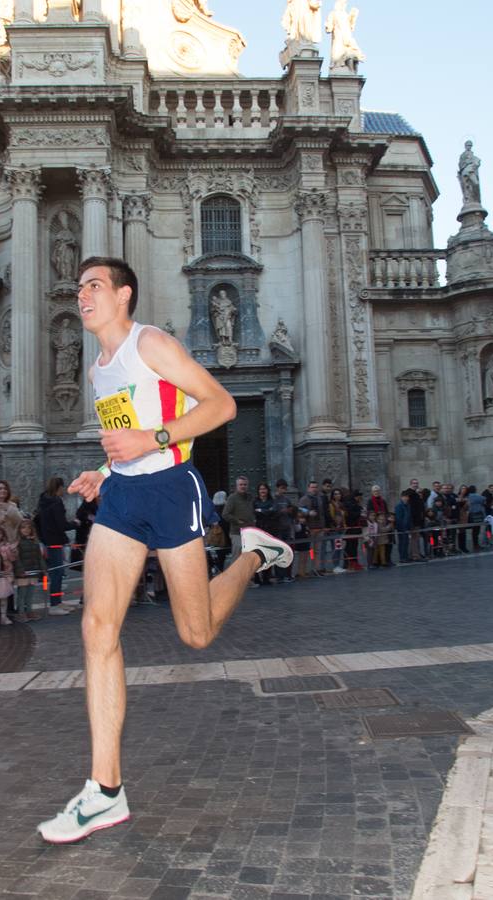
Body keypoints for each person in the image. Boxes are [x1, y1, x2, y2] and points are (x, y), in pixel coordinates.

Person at [38, 256, 292, 844]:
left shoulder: (150, 343)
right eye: (79, 288)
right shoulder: (100, 368)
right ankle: (105, 790)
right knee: (97, 629)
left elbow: (221, 406)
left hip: (175, 490)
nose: (83, 295)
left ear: (124, 294)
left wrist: (149, 440)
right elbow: (126, 435)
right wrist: (105, 468)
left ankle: (252, 552)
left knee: (196, 633)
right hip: (125, 497)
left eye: (94, 286)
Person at [35, 476, 77, 610]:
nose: (64, 490)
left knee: (55, 572)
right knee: (57, 573)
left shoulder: (43, 501)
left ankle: (57, 601)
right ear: (59, 488)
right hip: (55, 541)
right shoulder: (56, 502)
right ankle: (55, 604)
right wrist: (75, 523)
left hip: (47, 540)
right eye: (63, 487)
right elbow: (61, 525)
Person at [14, 517, 45, 621]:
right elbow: (16, 558)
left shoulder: (34, 542)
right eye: (23, 528)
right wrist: (19, 570)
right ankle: (21, 612)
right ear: (19, 530)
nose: (26, 530)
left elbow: (39, 557)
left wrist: (43, 568)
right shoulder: (17, 543)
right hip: (22, 573)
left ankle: (29, 611)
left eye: (28, 528)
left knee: (30, 594)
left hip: (33, 571)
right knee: (22, 594)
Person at [220, 476, 254, 562]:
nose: (243, 486)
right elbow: (225, 514)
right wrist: (237, 521)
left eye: (245, 484)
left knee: (248, 557)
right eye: (241, 484)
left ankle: (249, 575)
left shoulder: (250, 497)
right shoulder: (232, 498)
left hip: (249, 532)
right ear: (237, 486)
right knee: (237, 557)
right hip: (237, 533)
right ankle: (236, 575)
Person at [251, 482, 278, 586]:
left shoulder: (272, 501)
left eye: (264, 489)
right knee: (258, 555)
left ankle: (267, 577)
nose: (262, 491)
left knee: (268, 555)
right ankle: (257, 577)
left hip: (269, 530)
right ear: (258, 491)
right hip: (258, 531)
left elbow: (273, 512)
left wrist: (261, 511)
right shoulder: (255, 502)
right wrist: (266, 511)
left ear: (268, 490)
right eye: (261, 489)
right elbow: (254, 513)